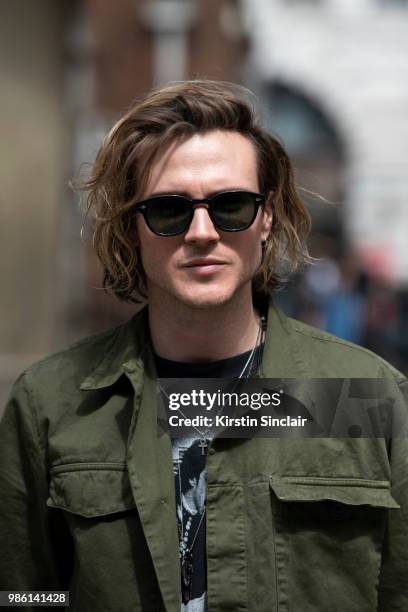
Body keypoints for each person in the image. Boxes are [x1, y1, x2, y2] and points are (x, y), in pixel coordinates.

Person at [0, 80, 407, 612]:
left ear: (266, 219)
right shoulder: (55, 403)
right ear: (134, 227)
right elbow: (28, 594)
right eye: (170, 210)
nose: (201, 232)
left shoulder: (363, 394)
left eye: (230, 205)